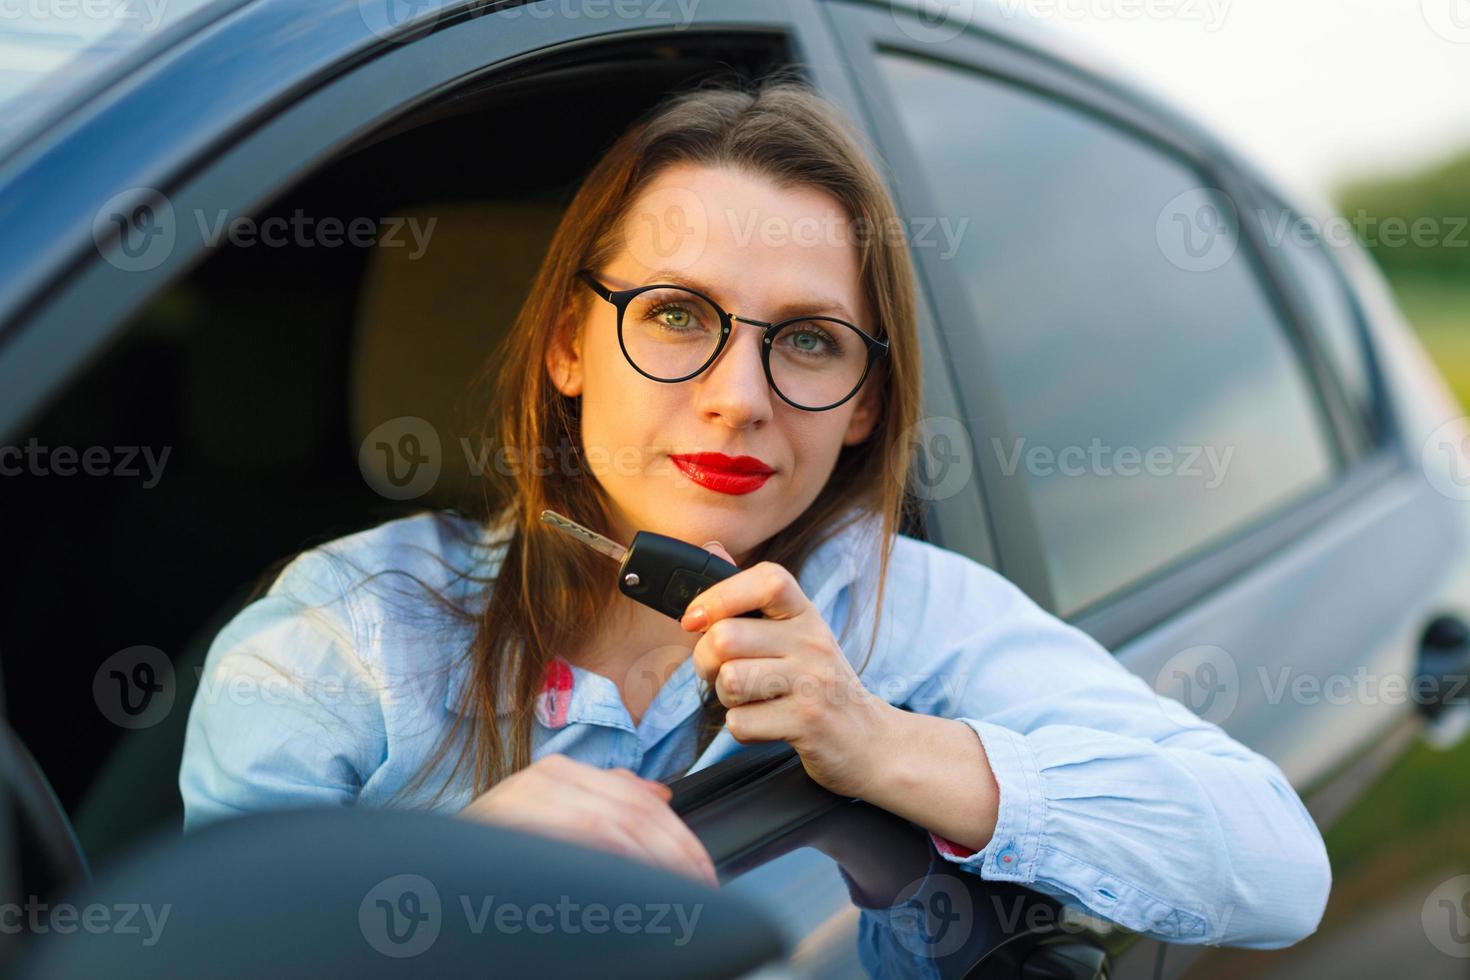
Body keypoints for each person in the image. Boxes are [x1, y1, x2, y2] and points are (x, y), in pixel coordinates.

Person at [178, 71, 1330, 949]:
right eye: (678, 315)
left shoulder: (900, 612)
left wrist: (878, 740)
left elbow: (1276, 863)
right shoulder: (340, 638)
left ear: (868, 401)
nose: (738, 400)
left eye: (810, 340)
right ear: (572, 345)